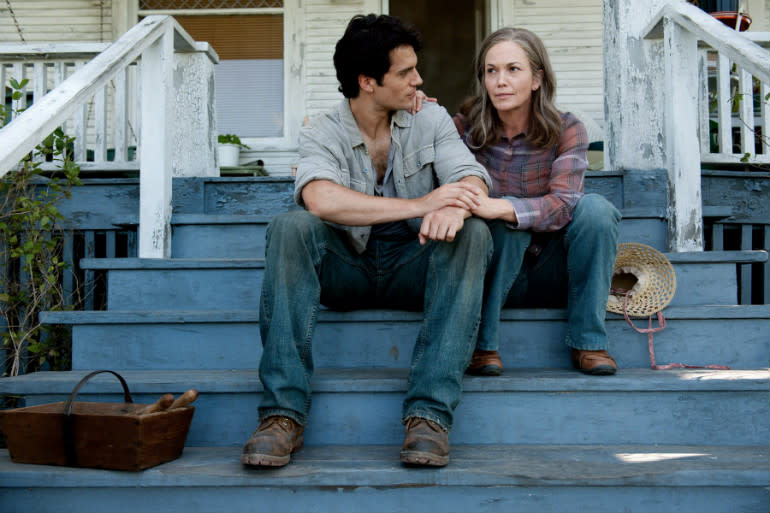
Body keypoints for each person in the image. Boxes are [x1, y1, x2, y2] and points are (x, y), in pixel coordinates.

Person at [241, 14, 494, 469]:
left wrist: (456, 204)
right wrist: (423, 204)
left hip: (411, 264)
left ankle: (429, 417)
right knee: (289, 226)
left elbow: (471, 175)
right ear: (367, 82)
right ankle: (282, 415)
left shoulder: (429, 116)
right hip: (347, 266)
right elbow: (319, 199)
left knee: (473, 231)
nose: (419, 79)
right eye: (405, 72)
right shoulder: (322, 130)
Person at [448, 27, 621, 376]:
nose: (500, 81)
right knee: (505, 231)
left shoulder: (567, 128)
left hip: (552, 269)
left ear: (537, 78)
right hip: (491, 268)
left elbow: (563, 204)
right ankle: (483, 347)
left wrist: (503, 207)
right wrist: (415, 111)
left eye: (513, 69)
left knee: (596, 209)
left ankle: (589, 342)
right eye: (491, 71)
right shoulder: (464, 128)